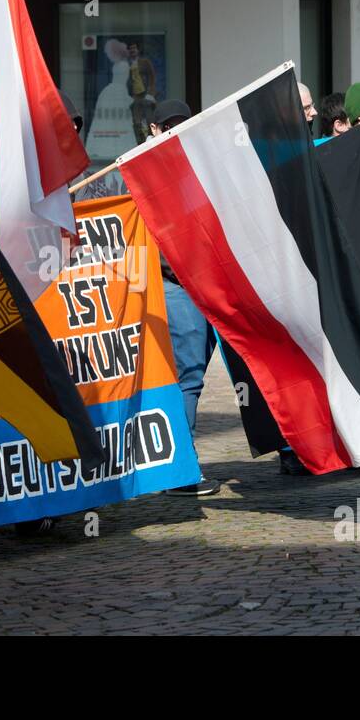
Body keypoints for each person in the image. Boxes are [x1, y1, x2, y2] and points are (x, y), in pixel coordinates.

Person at [145, 99, 221, 496]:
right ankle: (180, 468)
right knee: (187, 377)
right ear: (154, 129)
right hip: (177, 287)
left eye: (182, 124)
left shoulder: (196, 167)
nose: (176, 130)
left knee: (192, 375)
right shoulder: (141, 173)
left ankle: (173, 462)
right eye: (169, 125)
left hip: (205, 287)